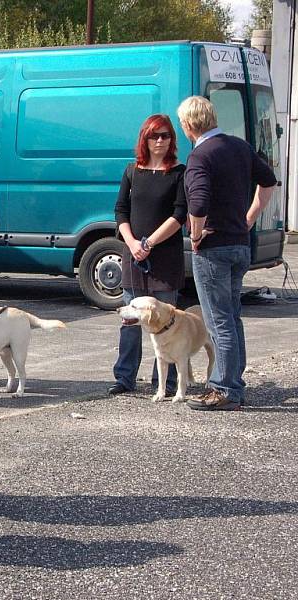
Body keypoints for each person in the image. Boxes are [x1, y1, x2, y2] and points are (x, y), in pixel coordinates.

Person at [177, 96, 277, 411]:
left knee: (218, 318)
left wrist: (195, 234)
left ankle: (225, 389)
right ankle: (234, 380)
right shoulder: (239, 146)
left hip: (214, 247)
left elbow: (199, 202)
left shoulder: (199, 156)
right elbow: (269, 181)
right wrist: (248, 219)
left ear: (189, 125)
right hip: (240, 244)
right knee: (232, 316)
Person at [109, 114, 186, 396]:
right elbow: (120, 210)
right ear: (145, 139)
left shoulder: (179, 172)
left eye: (166, 136)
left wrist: (149, 243)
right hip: (133, 256)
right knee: (129, 321)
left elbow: (180, 214)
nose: (161, 141)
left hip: (164, 258)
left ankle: (164, 382)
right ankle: (124, 377)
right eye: (155, 136)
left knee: (167, 322)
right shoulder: (132, 171)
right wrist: (131, 243)